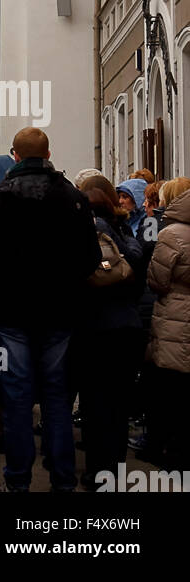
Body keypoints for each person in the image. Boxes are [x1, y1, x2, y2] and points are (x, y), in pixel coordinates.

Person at [0, 127, 102, 493]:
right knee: (57, 399)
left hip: (11, 313)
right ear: (47, 153)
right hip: (60, 312)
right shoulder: (73, 198)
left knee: (17, 399)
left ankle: (17, 482)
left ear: (15, 155)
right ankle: (62, 481)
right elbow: (91, 257)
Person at [73, 177, 145, 490]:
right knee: (118, 404)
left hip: (91, 329)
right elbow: (139, 272)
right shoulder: (125, 233)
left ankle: (94, 471)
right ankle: (113, 473)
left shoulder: (79, 234)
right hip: (126, 328)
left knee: (94, 401)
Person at [146, 177, 190, 470]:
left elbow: (157, 280)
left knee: (167, 389)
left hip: (173, 314)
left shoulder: (171, 233)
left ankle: (166, 449)